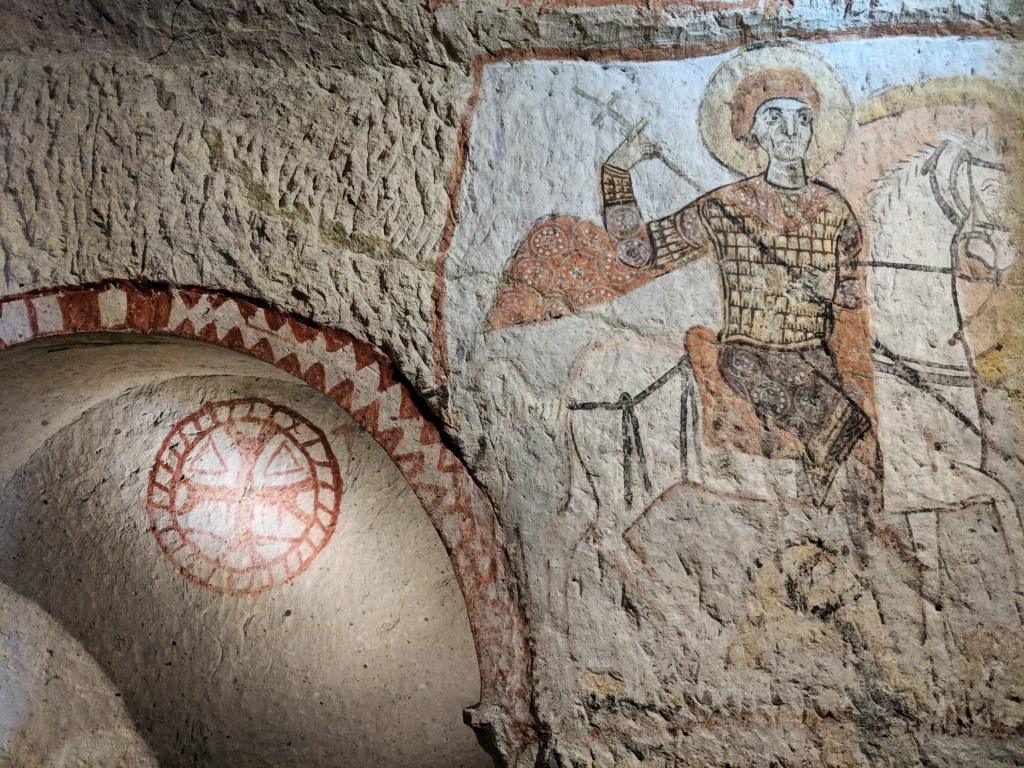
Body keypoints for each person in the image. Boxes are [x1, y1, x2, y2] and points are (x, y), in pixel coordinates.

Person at [600, 64, 870, 504]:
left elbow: (850, 294)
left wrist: (826, 288)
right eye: (774, 118)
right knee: (845, 429)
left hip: (817, 357)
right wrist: (617, 173)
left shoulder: (835, 209)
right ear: (752, 133)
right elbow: (639, 253)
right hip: (751, 357)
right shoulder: (725, 207)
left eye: (802, 119)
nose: (791, 131)